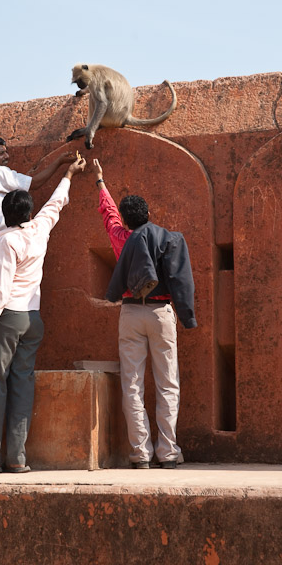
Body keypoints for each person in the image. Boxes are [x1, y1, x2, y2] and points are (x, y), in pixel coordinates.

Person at [0, 154, 86, 474]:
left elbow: (0, 291)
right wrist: (69, 174)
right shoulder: (39, 230)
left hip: (7, 318)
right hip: (33, 319)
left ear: (5, 214)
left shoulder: (6, 241)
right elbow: (55, 205)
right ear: (28, 211)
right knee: (22, 385)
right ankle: (17, 458)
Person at [92, 158, 197, 470]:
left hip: (130, 315)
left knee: (133, 384)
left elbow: (108, 215)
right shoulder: (167, 239)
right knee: (168, 384)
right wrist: (187, 315)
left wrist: (100, 182)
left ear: (126, 221)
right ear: (149, 215)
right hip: (162, 313)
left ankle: (140, 454)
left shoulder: (121, 238)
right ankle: (167, 452)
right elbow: (181, 279)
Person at [0, 136, 76, 293]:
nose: (7, 157)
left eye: (6, 152)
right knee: (9, 297)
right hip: (4, 245)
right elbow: (34, 183)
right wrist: (59, 162)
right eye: (1, 153)